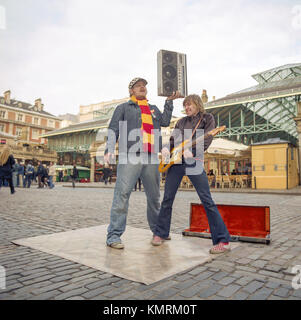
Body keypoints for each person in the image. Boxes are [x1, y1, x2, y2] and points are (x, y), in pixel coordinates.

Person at [104, 77, 181, 249]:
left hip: (152, 156)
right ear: (131, 90)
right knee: (122, 195)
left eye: (144, 86)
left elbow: (165, 122)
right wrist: (109, 149)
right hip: (129, 154)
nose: (142, 88)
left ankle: (158, 231)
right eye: (138, 86)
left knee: (154, 198)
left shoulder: (152, 109)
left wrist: (168, 102)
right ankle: (114, 236)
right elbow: (114, 129)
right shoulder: (123, 108)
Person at [152, 94, 231, 254]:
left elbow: (207, 140)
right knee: (167, 198)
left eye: (190, 105)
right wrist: (167, 147)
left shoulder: (207, 118)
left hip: (194, 160)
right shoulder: (181, 122)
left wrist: (193, 151)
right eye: (185, 105)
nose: (187, 108)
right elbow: (174, 140)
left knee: (206, 199)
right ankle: (161, 233)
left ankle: (223, 240)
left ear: (198, 104)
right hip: (177, 162)